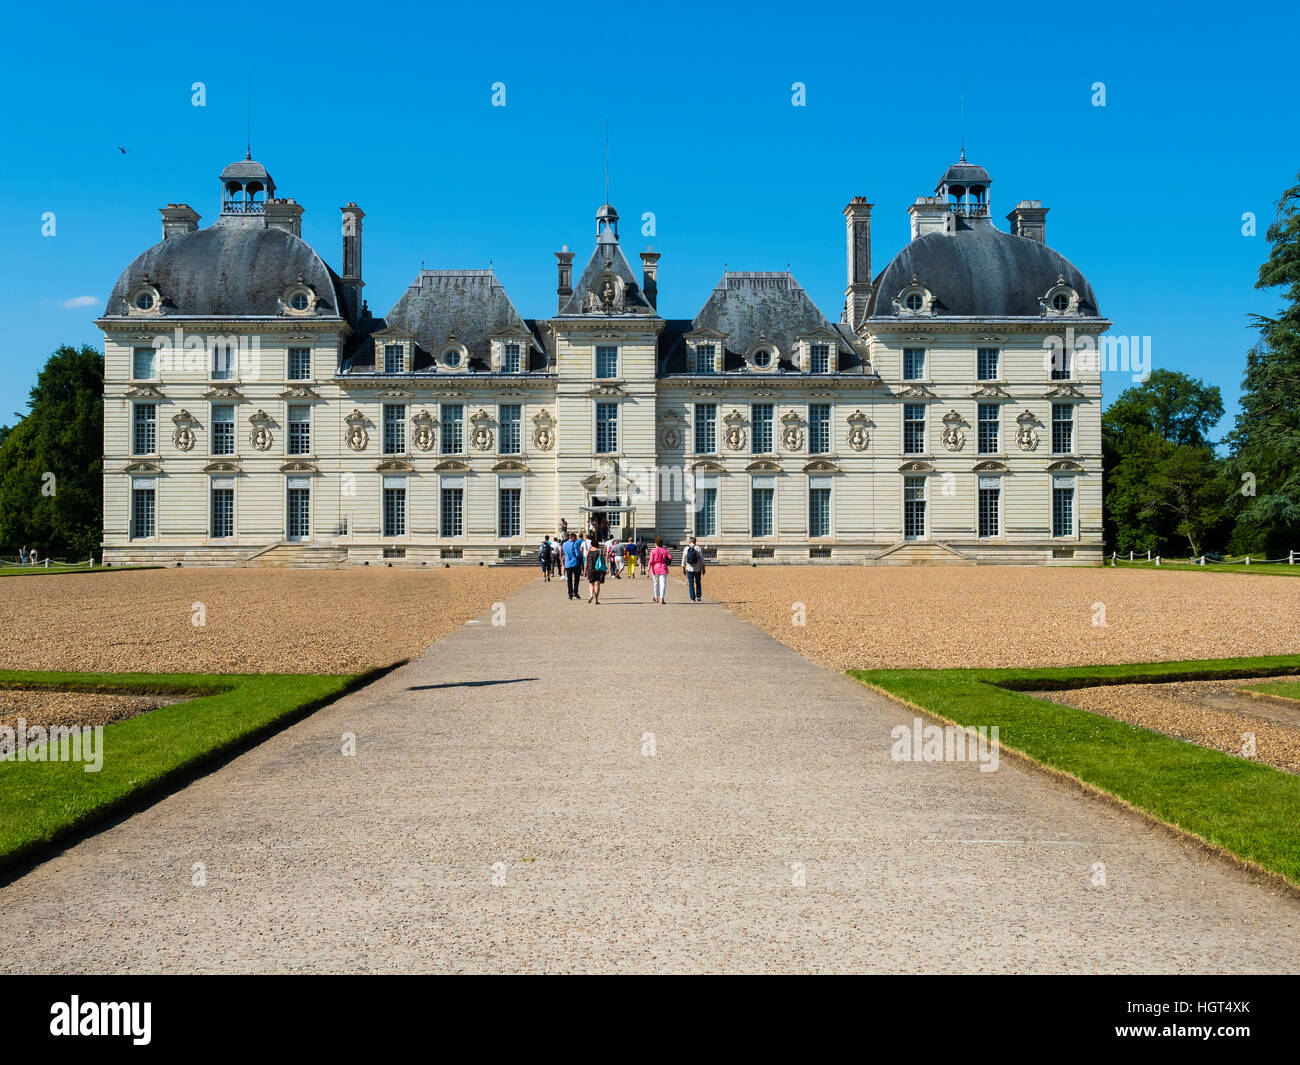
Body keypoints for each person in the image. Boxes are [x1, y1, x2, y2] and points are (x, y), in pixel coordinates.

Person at [649, 536, 672, 604]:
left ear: (655, 543)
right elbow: (670, 557)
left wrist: (648, 570)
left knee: (655, 584)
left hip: (655, 568)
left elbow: (651, 561)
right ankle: (662, 598)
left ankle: (656, 597)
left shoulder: (653, 550)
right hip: (663, 567)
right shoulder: (665, 550)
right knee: (663, 584)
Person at [683, 536, 706, 603]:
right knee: (698, 582)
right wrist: (703, 569)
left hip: (689, 568)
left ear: (689, 541)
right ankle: (698, 596)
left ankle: (692, 598)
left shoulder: (686, 548)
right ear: (695, 541)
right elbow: (701, 559)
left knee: (691, 583)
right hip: (697, 568)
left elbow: (684, 559)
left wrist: (683, 568)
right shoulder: (698, 548)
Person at [585, 534, 607, 604]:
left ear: (591, 544)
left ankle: (591, 595)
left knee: (591, 583)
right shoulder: (599, 551)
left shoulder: (588, 551)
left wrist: (585, 570)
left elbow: (586, 561)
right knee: (597, 584)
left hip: (590, 569)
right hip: (598, 569)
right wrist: (605, 569)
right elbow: (603, 561)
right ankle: (596, 600)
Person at [561, 532, 583, 600]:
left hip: (567, 563)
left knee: (569, 580)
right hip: (575, 563)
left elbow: (563, 552)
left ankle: (570, 594)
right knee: (576, 579)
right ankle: (575, 591)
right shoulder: (574, 544)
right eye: (575, 538)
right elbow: (577, 554)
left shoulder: (564, 544)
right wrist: (581, 553)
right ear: (573, 537)